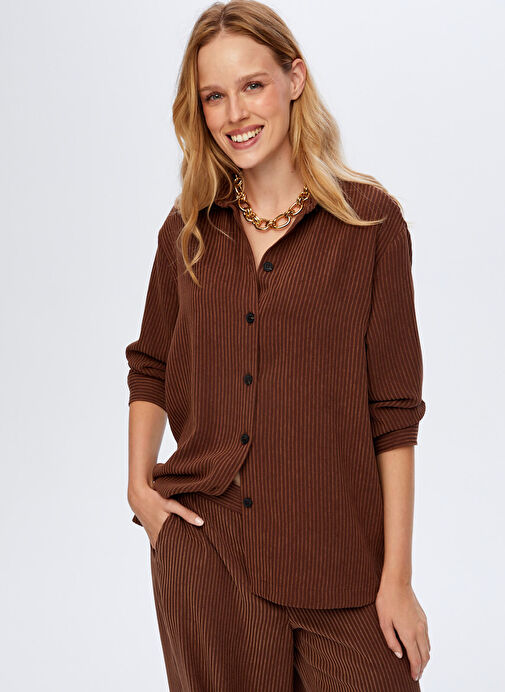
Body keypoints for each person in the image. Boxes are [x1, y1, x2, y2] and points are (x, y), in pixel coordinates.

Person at [125, 1, 431, 689]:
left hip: (341, 562)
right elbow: (151, 364)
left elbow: (393, 413)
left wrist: (397, 580)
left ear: (294, 79)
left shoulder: (371, 224)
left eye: (253, 85)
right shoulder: (189, 230)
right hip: (209, 554)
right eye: (214, 96)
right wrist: (140, 490)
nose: (235, 113)